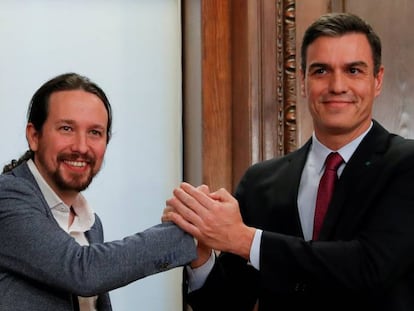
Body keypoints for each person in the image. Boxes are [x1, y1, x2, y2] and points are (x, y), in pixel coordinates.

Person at [163, 12, 414, 311]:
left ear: (377, 80)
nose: (337, 85)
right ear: (303, 81)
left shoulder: (405, 165)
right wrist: (200, 252)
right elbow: (227, 303)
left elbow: (369, 266)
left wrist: (244, 239)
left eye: (353, 70)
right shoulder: (261, 182)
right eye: (321, 71)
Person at [0, 72, 197, 311]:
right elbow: (82, 271)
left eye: (95, 132)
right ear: (34, 136)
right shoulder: (7, 196)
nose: (81, 147)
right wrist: (190, 231)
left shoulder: (92, 224)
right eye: (66, 128)